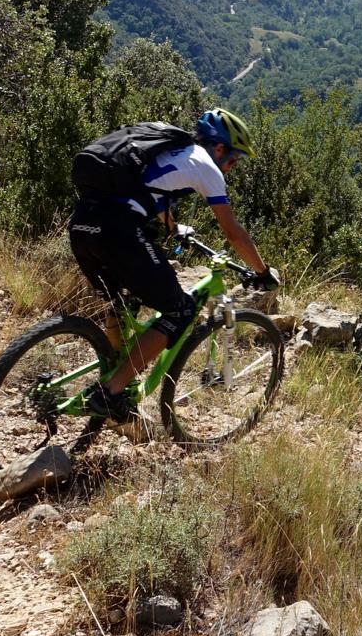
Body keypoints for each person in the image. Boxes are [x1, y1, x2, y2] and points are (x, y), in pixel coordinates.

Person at [68, 107, 272, 424]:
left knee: (123, 301)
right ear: (219, 148)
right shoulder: (207, 167)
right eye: (233, 160)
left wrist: (175, 230)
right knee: (181, 311)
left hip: (83, 225)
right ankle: (110, 392)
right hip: (118, 232)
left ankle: (110, 374)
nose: (230, 167)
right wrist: (262, 271)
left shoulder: (170, 151)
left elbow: (150, 195)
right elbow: (234, 234)